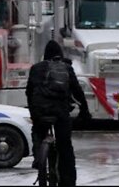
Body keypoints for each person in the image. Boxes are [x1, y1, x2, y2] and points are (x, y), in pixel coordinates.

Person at [25, 40, 91, 186]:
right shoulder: (66, 68)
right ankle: (68, 181)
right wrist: (85, 112)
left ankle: (38, 156)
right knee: (65, 145)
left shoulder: (35, 68)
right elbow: (78, 92)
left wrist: (33, 113)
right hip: (61, 112)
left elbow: (29, 92)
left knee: (37, 130)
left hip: (40, 111)